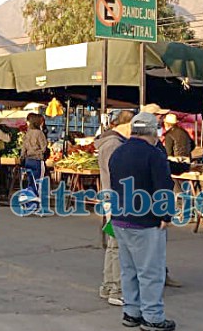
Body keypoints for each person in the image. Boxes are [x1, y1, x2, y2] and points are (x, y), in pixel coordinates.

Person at [109, 112, 176, 331]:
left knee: (128, 269)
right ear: (153, 131)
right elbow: (163, 187)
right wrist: (165, 215)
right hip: (146, 220)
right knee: (150, 271)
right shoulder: (154, 154)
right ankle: (153, 318)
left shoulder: (118, 153)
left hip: (120, 219)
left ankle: (131, 312)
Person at [94, 110, 134, 307]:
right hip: (118, 199)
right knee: (119, 245)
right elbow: (118, 173)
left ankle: (108, 285)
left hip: (112, 197)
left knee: (113, 244)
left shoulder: (109, 142)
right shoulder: (114, 145)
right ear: (126, 125)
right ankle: (117, 289)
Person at [140, 104, 183, 288]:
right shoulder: (145, 144)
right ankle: (151, 280)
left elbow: (164, 165)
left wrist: (185, 168)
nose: (161, 119)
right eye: (159, 116)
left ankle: (161, 274)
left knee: (158, 241)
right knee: (149, 242)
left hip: (156, 197)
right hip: (149, 199)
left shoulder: (156, 141)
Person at [21, 113, 48, 183]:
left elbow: (23, 148)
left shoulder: (27, 133)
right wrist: (40, 153)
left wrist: (22, 158)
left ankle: (30, 193)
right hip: (37, 160)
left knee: (30, 181)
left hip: (28, 160)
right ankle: (35, 194)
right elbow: (44, 147)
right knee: (38, 182)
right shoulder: (39, 133)